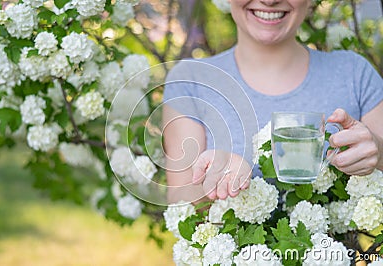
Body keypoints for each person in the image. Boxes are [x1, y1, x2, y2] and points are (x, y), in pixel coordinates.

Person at [162, 0, 383, 204]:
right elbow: (179, 202)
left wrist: (378, 154)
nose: (269, 0)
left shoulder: (354, 73)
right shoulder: (191, 80)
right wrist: (216, 184)